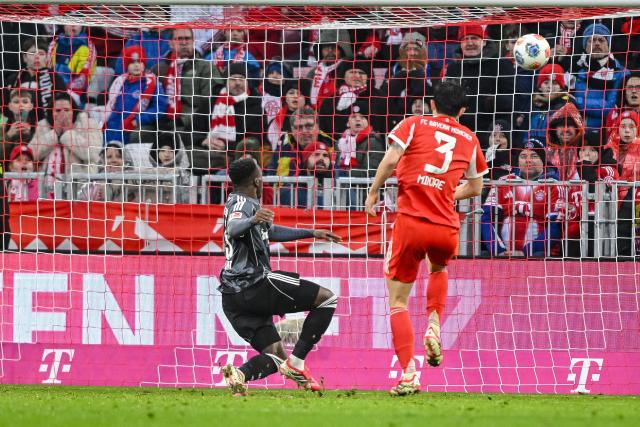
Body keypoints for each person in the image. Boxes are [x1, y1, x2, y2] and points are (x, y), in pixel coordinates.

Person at [364, 82, 488, 395]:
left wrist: (374, 190)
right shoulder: (470, 139)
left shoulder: (413, 123)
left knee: (398, 301)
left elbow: (392, 160)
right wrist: (445, 193)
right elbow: (475, 189)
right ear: (462, 111)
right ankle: (434, 323)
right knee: (438, 268)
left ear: (431, 104)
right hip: (446, 227)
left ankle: (408, 374)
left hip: (411, 223)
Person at [219, 158, 341, 396]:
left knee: (275, 355)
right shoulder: (243, 203)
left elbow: (270, 232)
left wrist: (311, 232)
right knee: (326, 299)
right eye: (260, 172)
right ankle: (297, 364)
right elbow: (234, 228)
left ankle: (239, 375)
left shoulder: (238, 201)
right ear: (257, 179)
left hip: (232, 298)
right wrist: (253, 219)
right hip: (254, 284)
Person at [481, 139, 562, 257]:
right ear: (518, 161)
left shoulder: (553, 186)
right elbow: (486, 219)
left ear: (543, 160)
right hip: (502, 254)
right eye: (523, 156)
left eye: (534, 156)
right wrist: (497, 250)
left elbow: (555, 227)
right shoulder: (503, 182)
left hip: (538, 254)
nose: (528, 160)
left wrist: (525, 252)